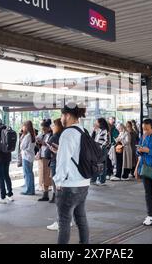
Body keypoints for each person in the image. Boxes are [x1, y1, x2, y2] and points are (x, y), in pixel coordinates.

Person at [53, 103, 90, 244]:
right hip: (83, 183)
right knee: (81, 219)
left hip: (69, 186)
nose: (61, 118)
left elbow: (62, 162)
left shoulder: (68, 133)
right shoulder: (82, 131)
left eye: (62, 115)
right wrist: (60, 151)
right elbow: (77, 155)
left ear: (67, 115)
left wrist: (58, 182)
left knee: (64, 223)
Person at [47, 118, 63, 203]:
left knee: (55, 179)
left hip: (55, 160)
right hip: (64, 161)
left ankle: (55, 196)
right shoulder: (65, 135)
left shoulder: (54, 137)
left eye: (54, 125)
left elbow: (47, 153)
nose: (52, 127)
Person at [36, 119, 53, 201]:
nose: (43, 130)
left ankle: (50, 194)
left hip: (48, 157)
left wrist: (43, 143)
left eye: (44, 128)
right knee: (42, 175)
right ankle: (45, 194)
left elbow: (51, 145)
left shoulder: (52, 135)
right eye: (42, 128)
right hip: (42, 156)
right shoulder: (43, 135)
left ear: (48, 127)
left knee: (48, 176)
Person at [91, 118, 109, 186]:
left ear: (100, 123)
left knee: (101, 164)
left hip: (101, 149)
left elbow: (100, 142)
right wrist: (94, 130)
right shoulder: (99, 130)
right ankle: (98, 179)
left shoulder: (104, 131)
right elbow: (93, 139)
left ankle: (102, 180)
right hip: (98, 148)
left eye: (97, 122)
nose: (95, 123)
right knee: (99, 164)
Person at [20, 120, 37, 196]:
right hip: (30, 156)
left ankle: (29, 190)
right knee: (30, 174)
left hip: (26, 157)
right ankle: (31, 189)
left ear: (26, 127)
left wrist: (22, 135)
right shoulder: (32, 134)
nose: (22, 127)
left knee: (27, 174)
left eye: (23, 126)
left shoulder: (27, 136)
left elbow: (22, 146)